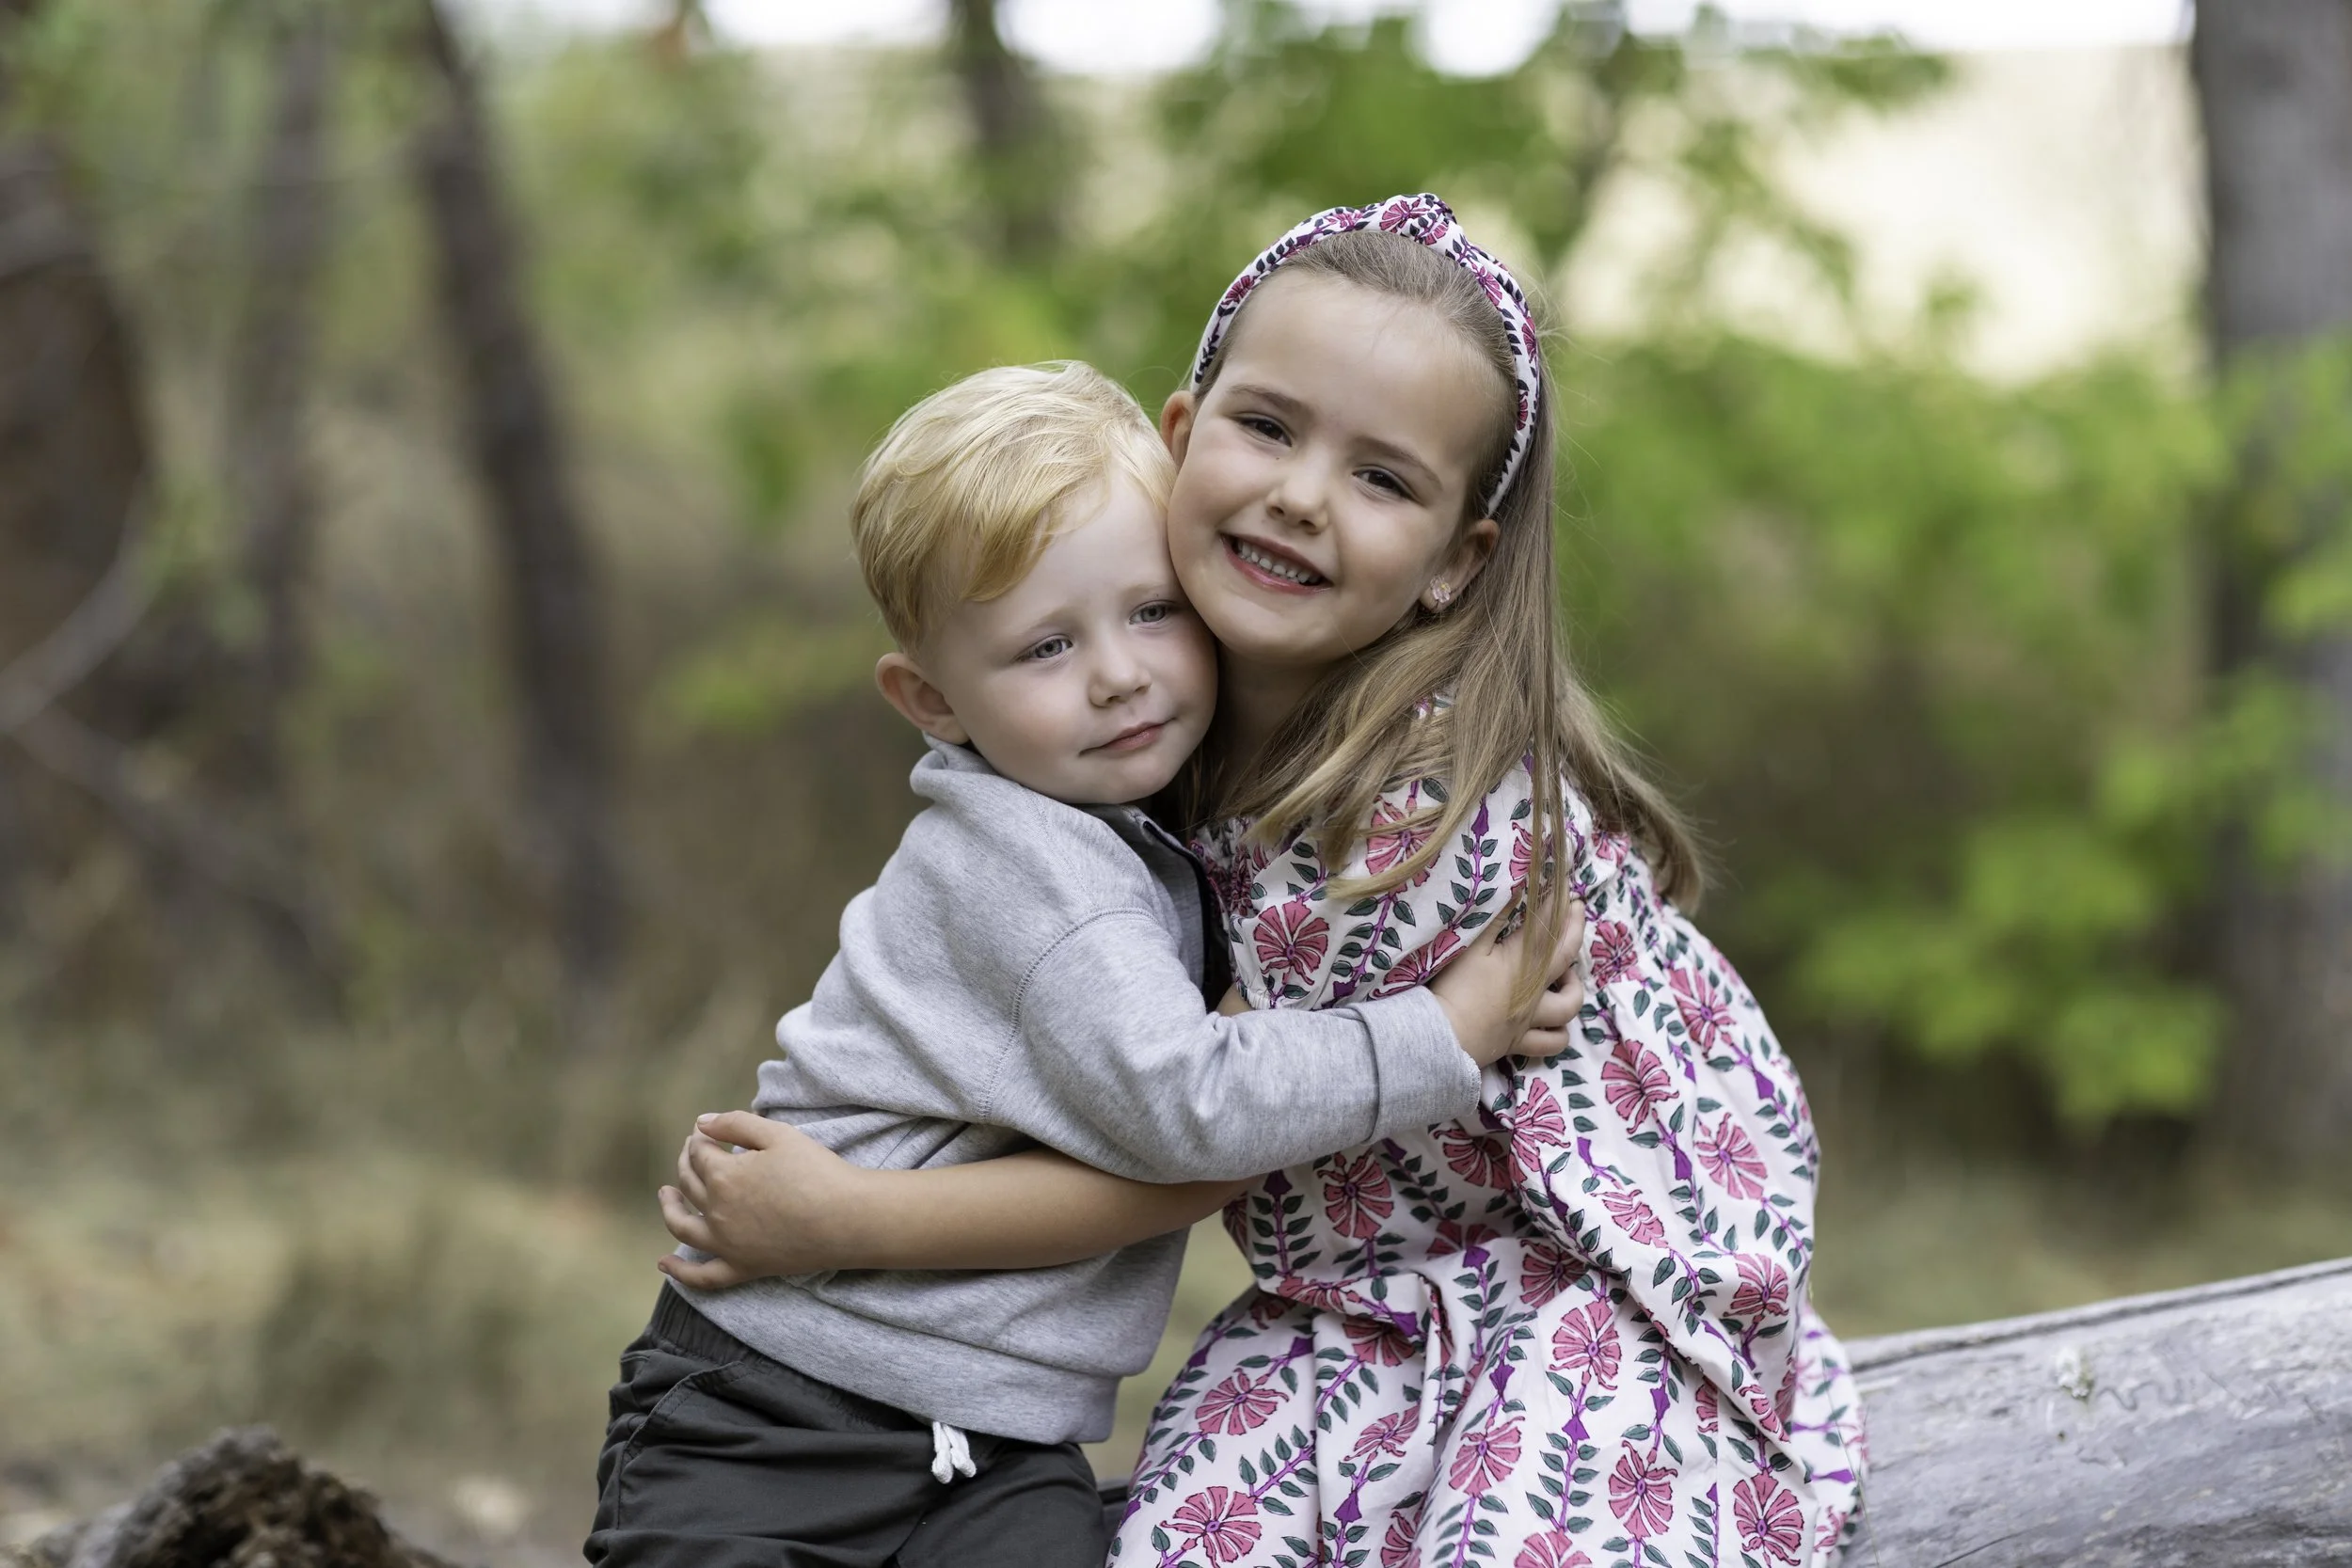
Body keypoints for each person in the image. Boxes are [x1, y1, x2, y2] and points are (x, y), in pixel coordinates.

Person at [671, 197, 1868, 1566]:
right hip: (1346, 1310)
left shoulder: (1420, 820)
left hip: (1595, 1300)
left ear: (1451, 563)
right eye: (1271, 427)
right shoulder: (1134, 729)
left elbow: (1201, 1138)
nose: (1304, 492)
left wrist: (851, 1218)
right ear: (1180, 439)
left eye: (1383, 478)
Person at [583, 358, 1585, 1568]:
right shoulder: (1031, 867)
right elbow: (1188, 1106)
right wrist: (1445, 1033)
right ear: (932, 698)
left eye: (1152, 611)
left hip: (1001, 1446)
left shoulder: (1146, 826)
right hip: (778, 1407)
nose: (1117, 673)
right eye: (1045, 646)